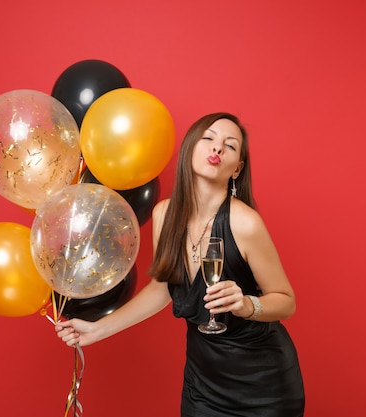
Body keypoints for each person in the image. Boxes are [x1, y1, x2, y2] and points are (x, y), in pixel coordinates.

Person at [56, 112, 305, 416]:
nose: (217, 149)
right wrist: (96, 330)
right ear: (190, 149)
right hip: (203, 387)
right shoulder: (164, 215)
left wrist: (247, 305)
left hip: (263, 385)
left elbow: (287, 302)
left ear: (237, 168)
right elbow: (162, 290)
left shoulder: (245, 223)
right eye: (209, 139)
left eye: (229, 146)